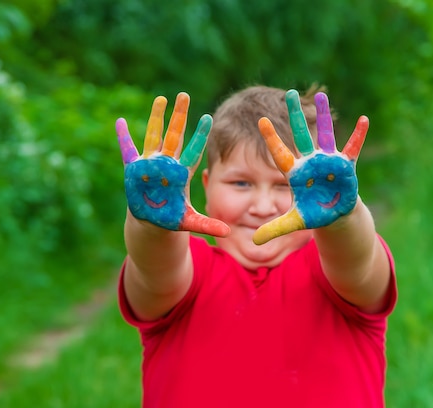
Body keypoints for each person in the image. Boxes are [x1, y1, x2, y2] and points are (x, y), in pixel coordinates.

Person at [115, 85, 397, 408]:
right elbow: (155, 266)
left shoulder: (333, 273)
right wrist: (150, 221)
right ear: (204, 187)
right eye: (241, 183)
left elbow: (356, 260)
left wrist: (342, 217)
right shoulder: (188, 276)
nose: (263, 206)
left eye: (285, 185)